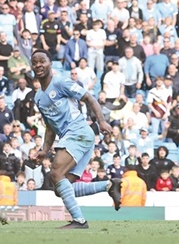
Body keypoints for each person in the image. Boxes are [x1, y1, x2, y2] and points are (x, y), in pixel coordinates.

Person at [30, 49, 121, 229]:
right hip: (72, 137)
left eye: (42, 61)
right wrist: (44, 150)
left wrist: (101, 121)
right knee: (61, 187)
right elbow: (50, 127)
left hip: (78, 131)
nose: (39, 65)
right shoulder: (39, 98)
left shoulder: (61, 82)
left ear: (50, 63)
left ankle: (79, 221)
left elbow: (88, 97)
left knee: (55, 173)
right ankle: (109, 186)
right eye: (35, 62)